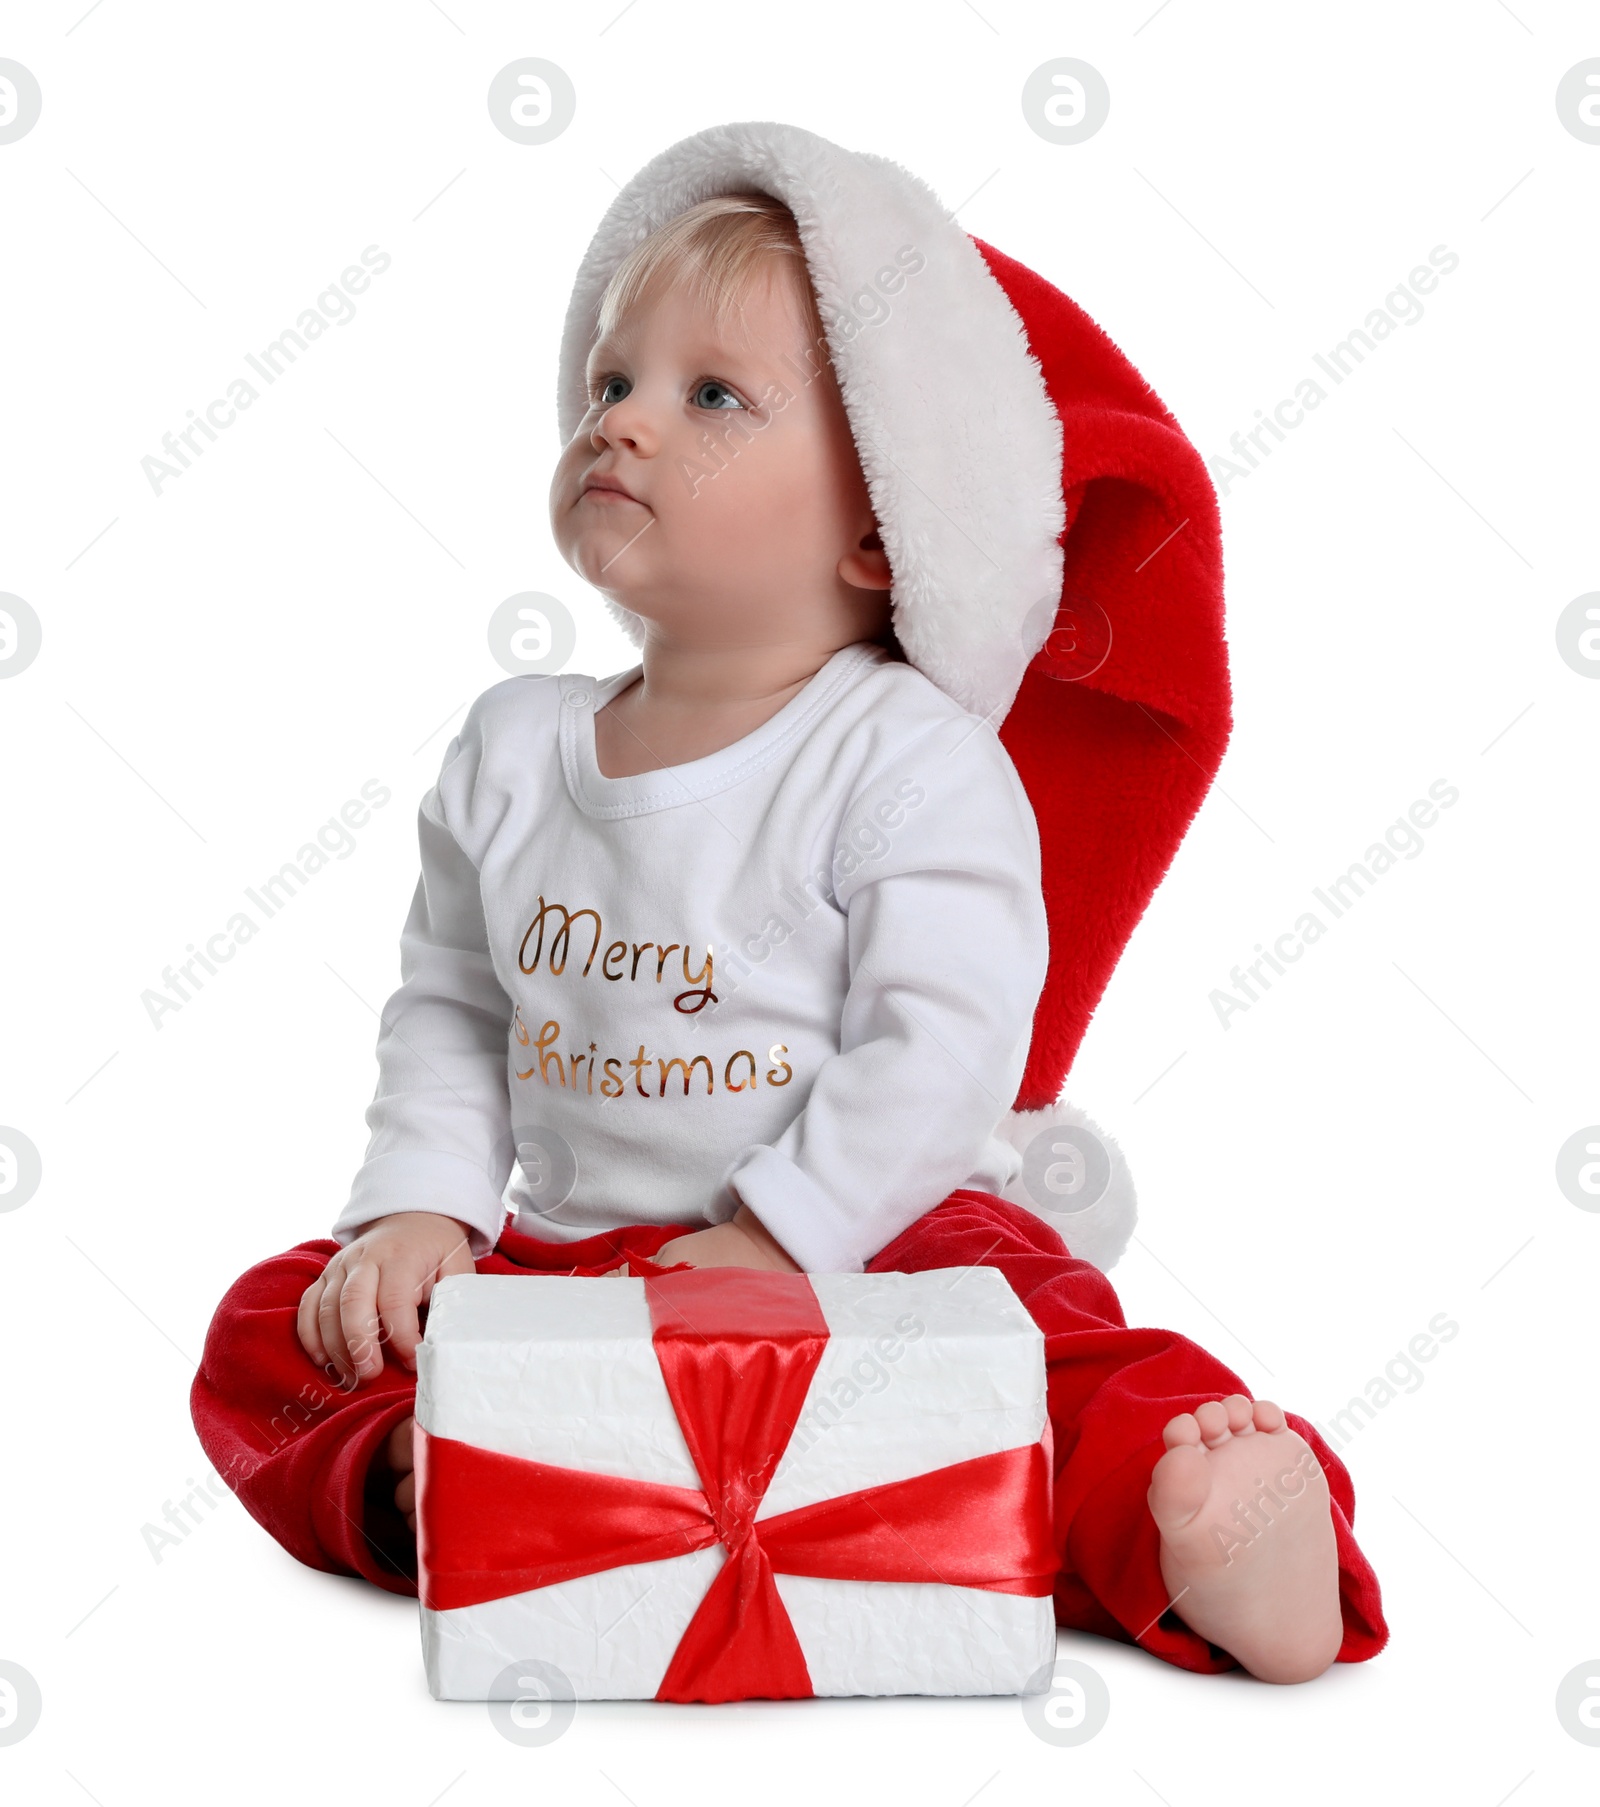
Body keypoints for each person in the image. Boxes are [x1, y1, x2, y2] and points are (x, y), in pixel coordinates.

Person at [192, 124, 1386, 1686]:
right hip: (580, 1264)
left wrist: (780, 1235)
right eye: (612, 383)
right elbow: (455, 1010)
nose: (621, 424)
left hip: (875, 1246)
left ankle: (1209, 1529)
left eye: (712, 398)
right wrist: (420, 1211)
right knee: (273, 1326)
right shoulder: (512, 748)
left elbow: (944, 1041)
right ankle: (434, 1478)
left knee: (1052, 1355)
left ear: (885, 529)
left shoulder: (906, 756)